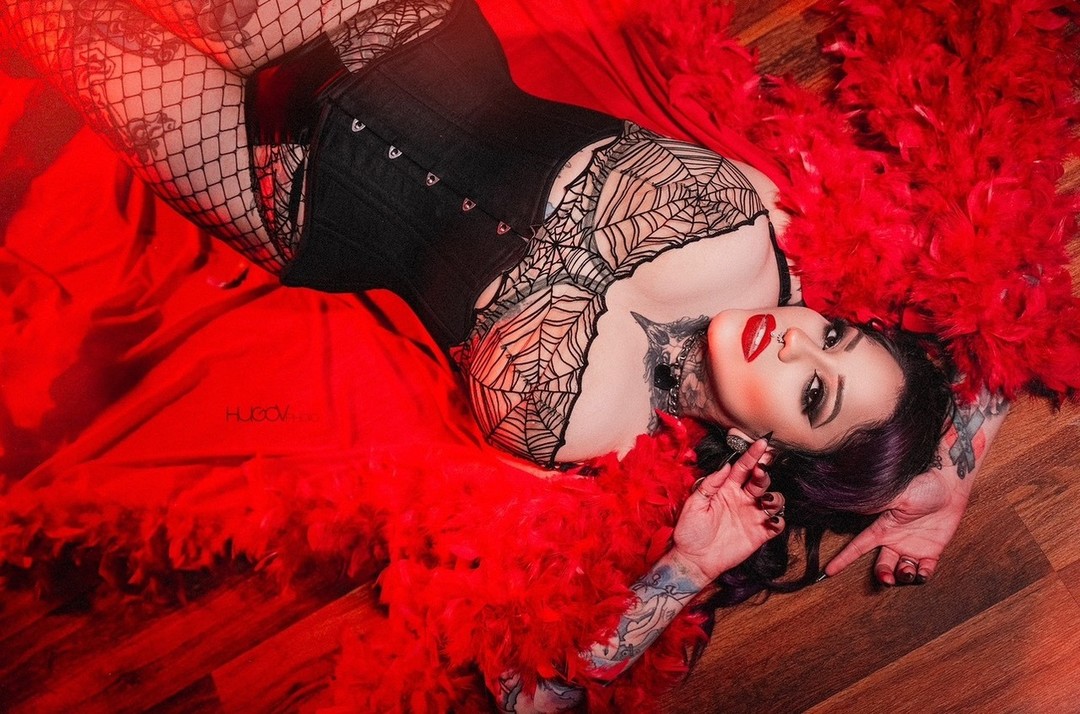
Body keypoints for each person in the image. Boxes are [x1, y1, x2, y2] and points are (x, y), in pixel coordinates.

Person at [0, 0, 1007, 707]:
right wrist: (953, 463)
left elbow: (536, 690)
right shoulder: (771, 223)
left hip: (284, 197)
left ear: (770, 451)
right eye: (834, 334)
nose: (796, 342)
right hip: (381, 23)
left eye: (813, 392)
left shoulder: (595, 457)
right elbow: (1002, 274)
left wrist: (686, 567)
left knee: (49, 20)